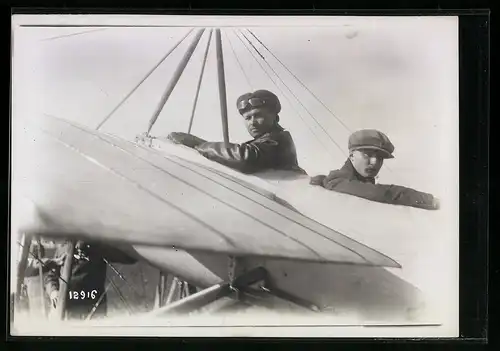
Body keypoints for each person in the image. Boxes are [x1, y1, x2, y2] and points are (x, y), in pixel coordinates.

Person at [166, 89, 306, 175]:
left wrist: (199, 144)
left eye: (258, 116)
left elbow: (246, 157)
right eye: (248, 118)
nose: (252, 122)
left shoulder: (279, 140)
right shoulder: (266, 140)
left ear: (275, 117)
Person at [310, 129, 440, 210]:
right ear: (352, 156)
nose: (375, 162)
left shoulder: (355, 181)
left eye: (380, 158)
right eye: (367, 154)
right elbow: (383, 193)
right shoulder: (336, 181)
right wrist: (430, 200)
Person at [44, 240, 137, 320]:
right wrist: (53, 292)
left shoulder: (98, 248)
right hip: (68, 308)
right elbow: (50, 277)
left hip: (93, 308)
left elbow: (129, 258)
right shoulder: (62, 249)